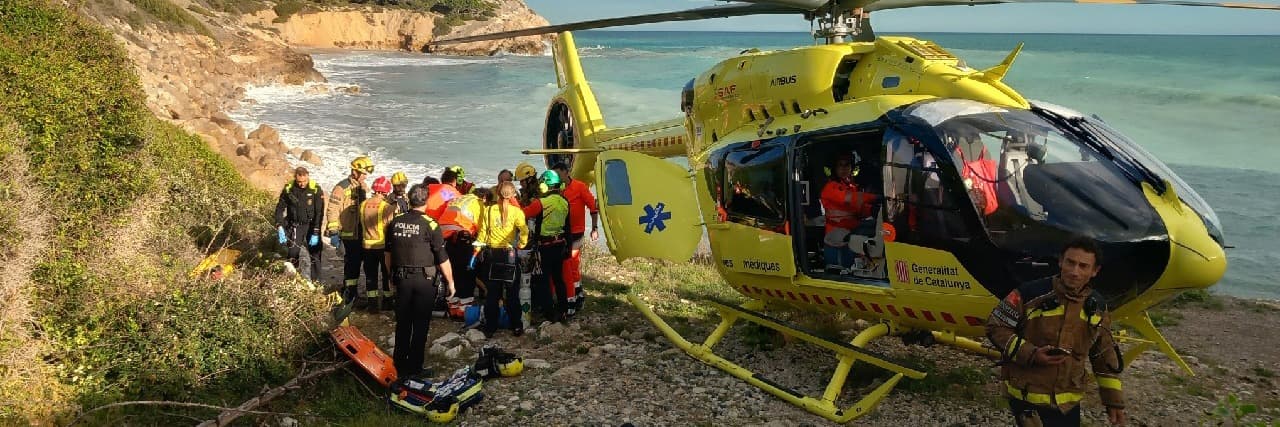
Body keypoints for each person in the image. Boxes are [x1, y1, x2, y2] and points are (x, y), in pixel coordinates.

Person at [987, 238, 1126, 427]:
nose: (1074, 271)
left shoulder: (1098, 306)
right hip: (1028, 397)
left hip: (1067, 402)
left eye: (1083, 266)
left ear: (1094, 271)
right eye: (1070, 262)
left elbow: (1103, 353)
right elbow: (996, 326)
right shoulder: (1029, 293)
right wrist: (1032, 354)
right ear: (1061, 261)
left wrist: (1113, 401)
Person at [386, 184, 456, 377]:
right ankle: (415, 367)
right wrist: (450, 282)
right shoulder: (431, 224)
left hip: (401, 278)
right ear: (426, 201)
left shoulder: (395, 222)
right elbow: (442, 257)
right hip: (424, 281)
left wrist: (390, 275)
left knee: (403, 323)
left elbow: (388, 253)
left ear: (409, 199)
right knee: (420, 324)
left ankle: (399, 365)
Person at [474, 182, 529, 337]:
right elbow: (524, 230)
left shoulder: (489, 210)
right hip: (510, 254)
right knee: (512, 292)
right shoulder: (517, 212)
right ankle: (516, 326)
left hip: (493, 254)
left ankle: (490, 328)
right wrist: (521, 244)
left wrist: (477, 249)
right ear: (512, 195)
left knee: (493, 294)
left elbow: (483, 234)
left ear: (497, 193)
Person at [551, 163, 599, 317]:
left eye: (559, 174)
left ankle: (576, 297)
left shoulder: (579, 187)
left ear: (566, 172)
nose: (557, 178)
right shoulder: (556, 189)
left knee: (571, 264)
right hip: (560, 233)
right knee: (564, 266)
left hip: (576, 233)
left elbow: (593, 207)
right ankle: (573, 295)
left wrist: (595, 228)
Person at [523, 170, 571, 323]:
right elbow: (568, 226)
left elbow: (523, 215)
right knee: (558, 279)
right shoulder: (564, 201)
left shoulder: (540, 203)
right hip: (560, 245)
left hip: (544, 246)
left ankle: (549, 313)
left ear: (544, 185)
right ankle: (564, 310)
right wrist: (568, 247)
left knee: (543, 280)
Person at [328, 156, 374, 303]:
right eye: (363, 173)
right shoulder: (341, 188)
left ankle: (355, 294)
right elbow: (332, 210)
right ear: (355, 172)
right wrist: (334, 232)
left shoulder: (364, 187)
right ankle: (349, 295)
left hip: (363, 234)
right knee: (351, 267)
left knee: (363, 265)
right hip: (349, 235)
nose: (365, 177)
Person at [819, 153, 874, 273]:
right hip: (836, 241)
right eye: (840, 165)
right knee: (839, 276)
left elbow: (859, 209)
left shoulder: (851, 187)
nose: (844, 168)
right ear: (834, 168)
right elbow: (849, 198)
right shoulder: (831, 187)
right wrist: (874, 197)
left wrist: (873, 210)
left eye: (847, 165)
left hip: (851, 237)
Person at [275, 167, 325, 280]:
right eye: (299, 182)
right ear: (295, 178)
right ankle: (292, 280)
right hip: (296, 226)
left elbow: (319, 212)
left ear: (308, 176)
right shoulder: (289, 189)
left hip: (311, 226)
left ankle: (316, 282)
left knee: (315, 254)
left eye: (304, 181)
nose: (302, 184)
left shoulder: (315, 189)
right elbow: (279, 209)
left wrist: (316, 231)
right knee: (292, 253)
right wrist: (279, 226)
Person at [438, 185, 484, 301]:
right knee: (467, 275)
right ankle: (464, 307)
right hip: (462, 239)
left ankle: (453, 305)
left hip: (444, 238)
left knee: (454, 274)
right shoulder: (478, 203)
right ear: (484, 198)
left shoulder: (459, 199)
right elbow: (482, 229)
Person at [361, 176, 397, 310]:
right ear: (385, 192)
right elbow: (390, 226)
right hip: (383, 246)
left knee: (370, 275)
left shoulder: (363, 204)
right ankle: (388, 301)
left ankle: (372, 304)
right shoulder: (386, 207)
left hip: (367, 246)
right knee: (386, 274)